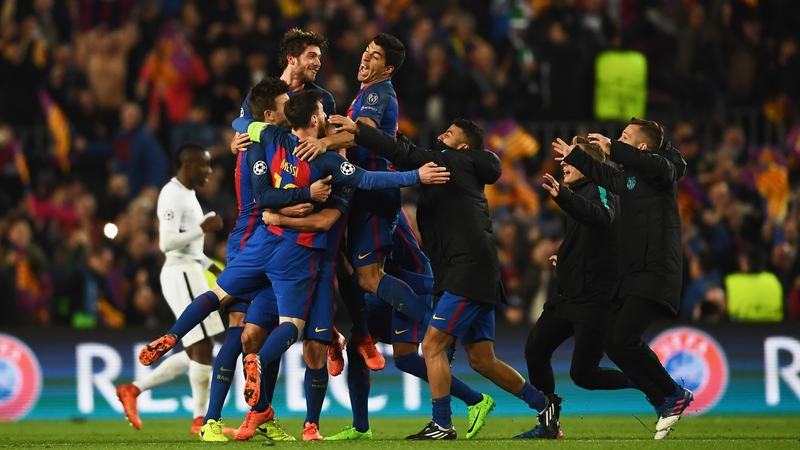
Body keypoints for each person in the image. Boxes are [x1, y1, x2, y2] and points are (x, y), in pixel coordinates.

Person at [137, 90, 448, 418]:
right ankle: (261, 360)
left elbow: (241, 121)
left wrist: (239, 135)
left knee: (217, 295)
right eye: (323, 115)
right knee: (293, 325)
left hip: (262, 239)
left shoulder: (273, 136)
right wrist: (416, 176)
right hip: (296, 250)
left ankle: (172, 335)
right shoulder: (328, 162)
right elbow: (370, 178)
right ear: (314, 120)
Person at [328, 114, 560, 440]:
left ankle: (442, 424)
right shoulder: (463, 168)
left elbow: (403, 152)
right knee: (482, 360)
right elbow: (486, 164)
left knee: (432, 345)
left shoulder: (451, 162)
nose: (440, 136)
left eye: (448, 134)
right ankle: (545, 407)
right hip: (473, 272)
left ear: (463, 146)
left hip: (467, 272)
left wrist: (359, 131)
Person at [552, 118, 692, 440]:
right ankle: (665, 400)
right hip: (631, 273)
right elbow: (605, 175)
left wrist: (612, 147)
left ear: (642, 147)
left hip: (656, 271)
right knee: (614, 342)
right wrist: (576, 155)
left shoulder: (663, 170)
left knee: (624, 337)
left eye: (625, 137)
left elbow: (656, 165)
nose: (616, 140)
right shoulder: (630, 179)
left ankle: (672, 394)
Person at [198, 77, 304, 442]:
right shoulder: (259, 137)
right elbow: (265, 196)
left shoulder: (270, 134)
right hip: (251, 239)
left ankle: (262, 413)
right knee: (239, 328)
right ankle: (210, 420)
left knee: (263, 332)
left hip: (275, 242)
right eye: (309, 56)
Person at [518, 138, 634, 439]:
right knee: (536, 349)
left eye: (570, 159)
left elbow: (602, 218)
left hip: (595, 297)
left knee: (584, 375)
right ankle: (548, 423)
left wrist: (563, 198)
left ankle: (646, 380)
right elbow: (591, 239)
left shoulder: (602, 189)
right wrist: (567, 258)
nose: (563, 164)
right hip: (572, 294)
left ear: (589, 165)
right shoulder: (582, 192)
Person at [116, 143, 225, 435]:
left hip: (192, 270)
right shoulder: (171, 193)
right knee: (201, 346)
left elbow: (188, 246)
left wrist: (211, 266)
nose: (209, 171)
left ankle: (134, 390)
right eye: (204, 165)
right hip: (180, 274)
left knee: (198, 349)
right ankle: (200, 422)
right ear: (188, 166)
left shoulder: (187, 194)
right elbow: (166, 244)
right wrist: (204, 227)